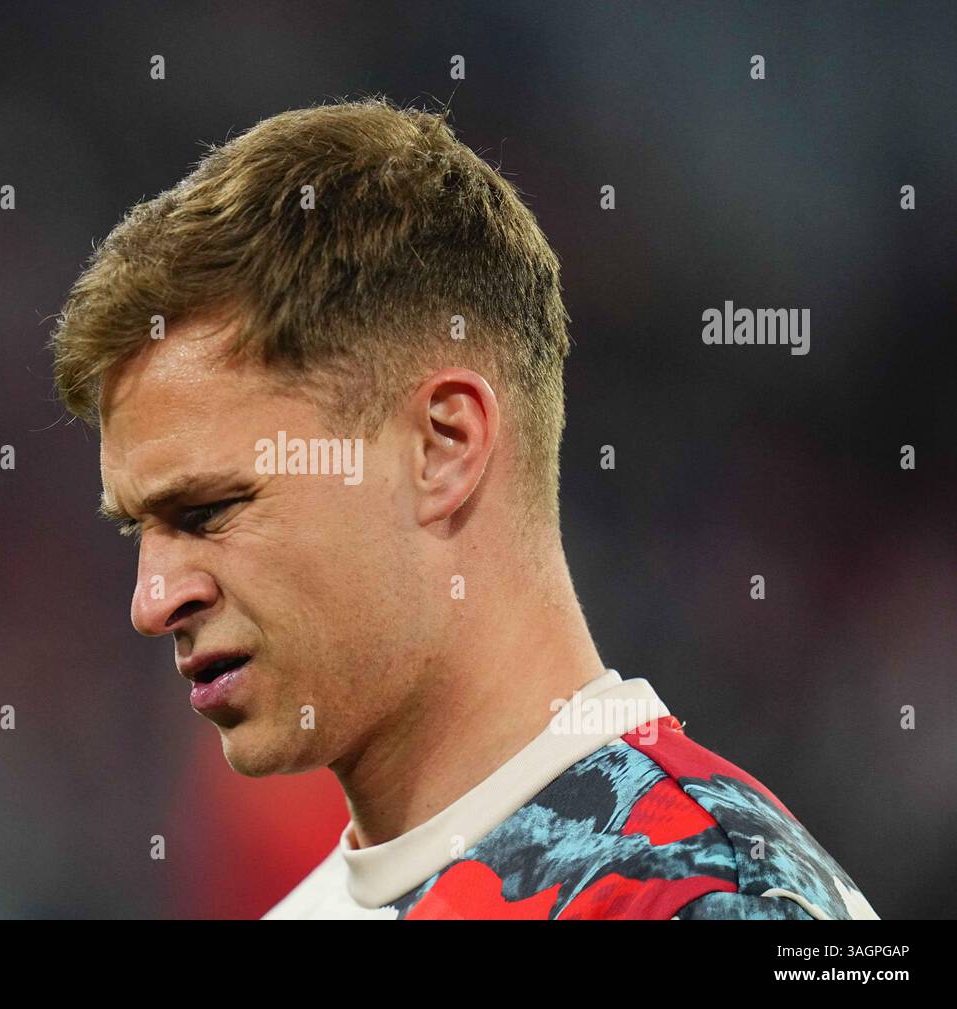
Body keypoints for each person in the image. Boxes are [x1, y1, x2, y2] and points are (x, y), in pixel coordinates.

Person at [49, 96, 879, 920]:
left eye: (211, 509)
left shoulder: (715, 896)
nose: (152, 602)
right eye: (138, 530)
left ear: (443, 446)